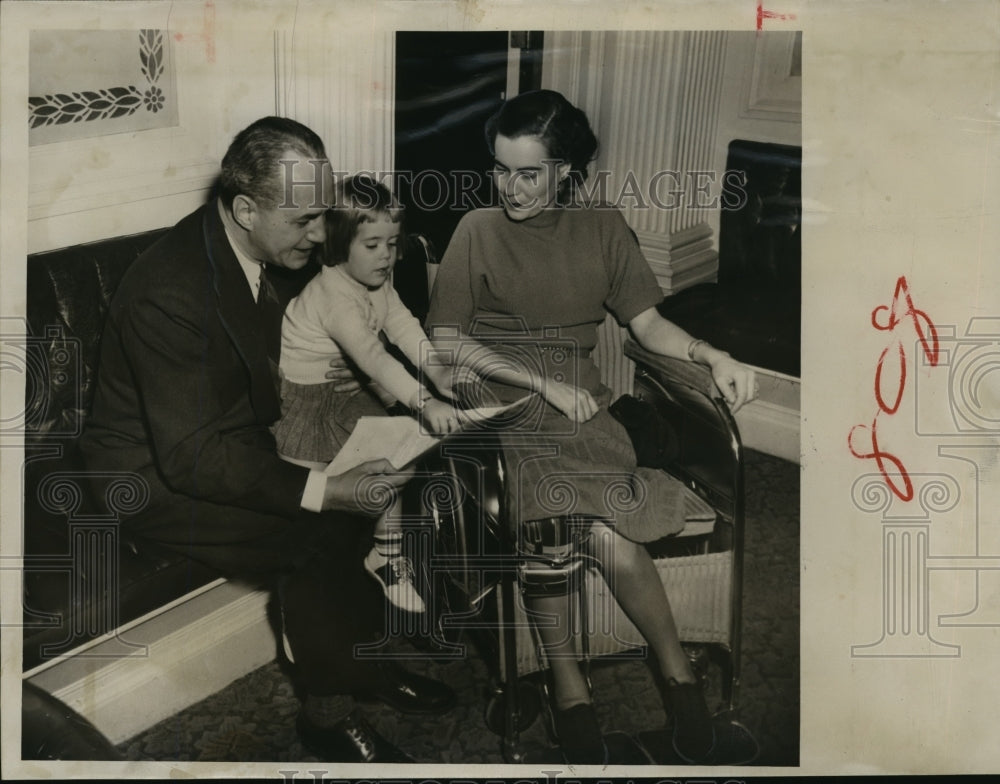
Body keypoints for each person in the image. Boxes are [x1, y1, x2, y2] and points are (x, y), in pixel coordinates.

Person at [80, 116, 455, 763]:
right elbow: (194, 455)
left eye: (324, 215)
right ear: (246, 208)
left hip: (235, 437)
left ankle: (354, 662)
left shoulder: (260, 246)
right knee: (321, 531)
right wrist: (326, 486)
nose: (320, 234)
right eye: (305, 220)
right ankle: (328, 714)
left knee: (368, 493)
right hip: (152, 475)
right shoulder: (168, 293)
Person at [425, 90, 758, 765]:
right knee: (560, 523)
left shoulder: (604, 226)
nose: (508, 187)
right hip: (502, 407)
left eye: (527, 173)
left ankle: (676, 678)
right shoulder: (477, 229)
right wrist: (536, 381)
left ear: (567, 172)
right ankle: (572, 686)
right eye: (499, 169)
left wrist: (712, 354)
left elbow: (647, 324)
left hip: (581, 407)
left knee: (604, 523)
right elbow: (445, 339)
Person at [272, 174, 460, 614]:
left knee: (397, 461)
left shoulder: (377, 283)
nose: (387, 257)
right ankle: (298, 609)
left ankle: (387, 556)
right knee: (307, 511)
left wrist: (437, 370)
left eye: (393, 243)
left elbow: (401, 322)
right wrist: (425, 401)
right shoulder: (335, 297)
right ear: (337, 244)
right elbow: (374, 357)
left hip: (345, 391)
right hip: (305, 403)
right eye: (373, 245)